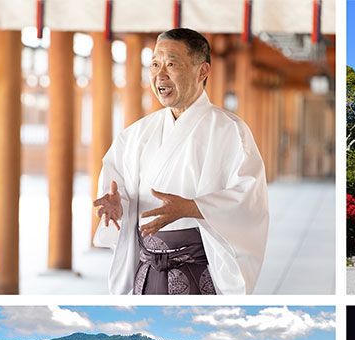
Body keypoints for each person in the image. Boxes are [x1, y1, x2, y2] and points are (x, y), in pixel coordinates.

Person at [93, 28, 268, 295]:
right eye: (154, 64)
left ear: (202, 71)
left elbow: (249, 201)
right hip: (148, 268)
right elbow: (118, 186)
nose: (159, 75)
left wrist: (193, 207)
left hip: (198, 270)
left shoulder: (229, 130)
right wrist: (119, 207)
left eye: (171, 64)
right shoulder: (136, 134)